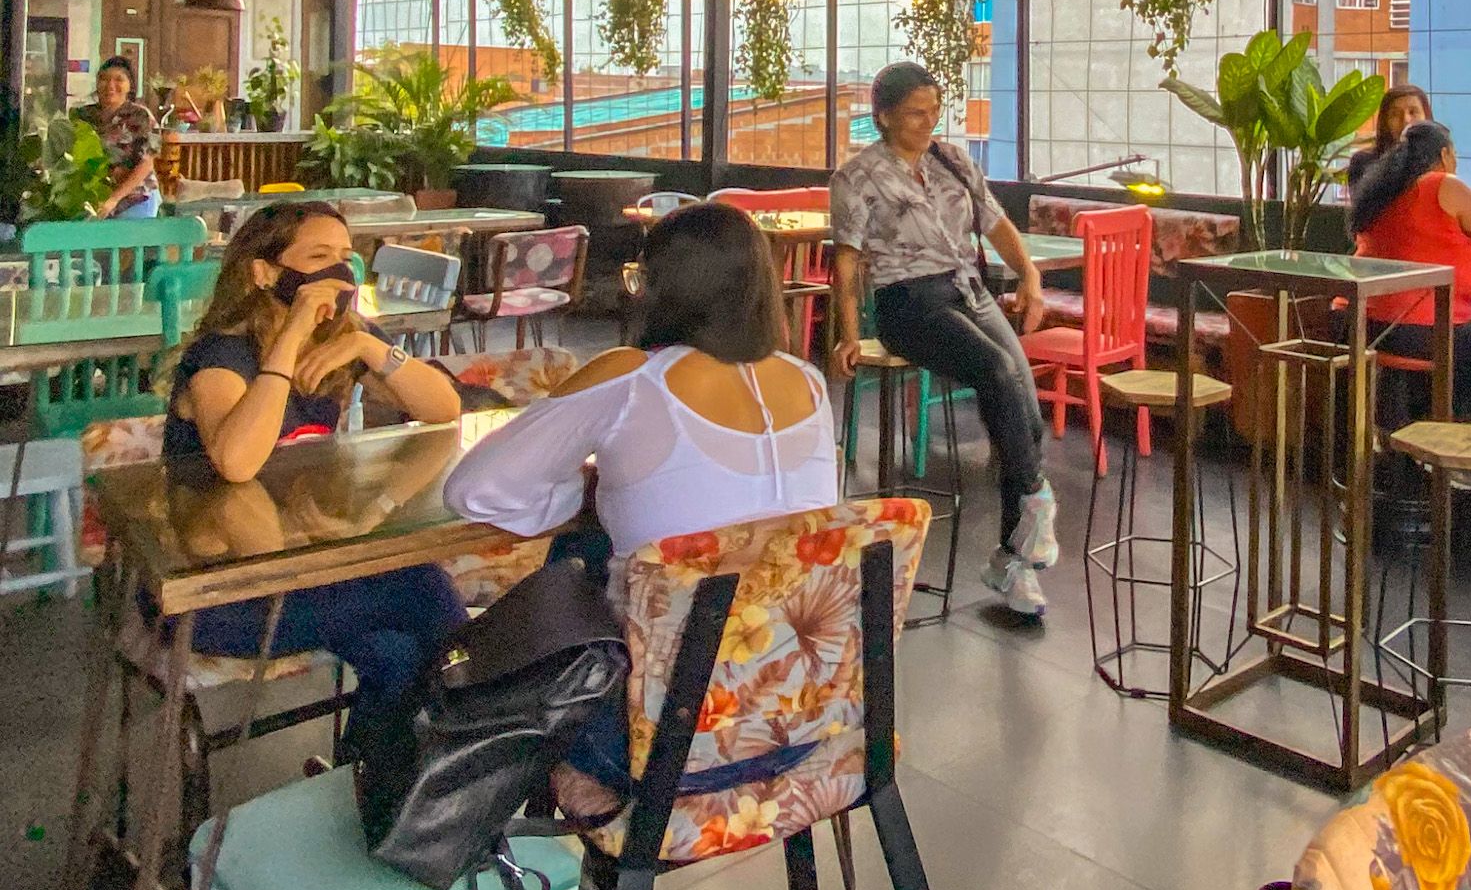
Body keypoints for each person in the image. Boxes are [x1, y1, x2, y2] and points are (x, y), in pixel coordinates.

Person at [445, 202, 839, 794]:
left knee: (584, 550)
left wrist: (583, 490)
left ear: (661, 289)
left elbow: (474, 489)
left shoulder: (629, 378)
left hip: (654, 737)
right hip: (804, 722)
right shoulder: (806, 381)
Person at [164, 200, 468, 729]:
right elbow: (236, 463)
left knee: (401, 657)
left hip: (304, 575)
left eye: (347, 257)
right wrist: (292, 331)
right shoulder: (221, 356)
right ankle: (470, 737)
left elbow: (443, 409)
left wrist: (370, 350)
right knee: (421, 589)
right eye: (319, 256)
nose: (338, 271)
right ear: (263, 272)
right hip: (214, 596)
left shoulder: (338, 342)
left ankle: (379, 789)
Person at [828, 61, 1056, 620]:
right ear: (883, 117)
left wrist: (1029, 275)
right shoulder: (857, 178)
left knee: (1024, 409)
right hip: (910, 302)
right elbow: (847, 263)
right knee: (997, 371)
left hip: (969, 291)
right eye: (915, 114)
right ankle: (1037, 506)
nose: (929, 122)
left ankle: (1014, 558)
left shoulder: (953, 161)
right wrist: (849, 335)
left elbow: (996, 224)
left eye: (934, 111)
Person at [1349, 119, 1471, 418]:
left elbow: (1416, 241)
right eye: (1454, 157)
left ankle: (1411, 442)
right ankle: (1463, 446)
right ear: (1444, 156)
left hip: (1360, 322)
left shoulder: (1381, 191)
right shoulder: (1443, 184)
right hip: (1418, 328)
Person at [77, 57, 162, 219]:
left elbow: (146, 163)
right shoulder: (83, 116)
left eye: (119, 79)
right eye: (104, 79)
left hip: (136, 198)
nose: (110, 85)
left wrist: (114, 199)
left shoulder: (142, 116)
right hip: (95, 200)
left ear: (130, 85)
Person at [1345, 82, 1433, 193]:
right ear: (1385, 121)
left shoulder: (1438, 160)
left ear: (1427, 117)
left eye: (1413, 112)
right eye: (1395, 114)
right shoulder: (1363, 162)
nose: (1406, 120)